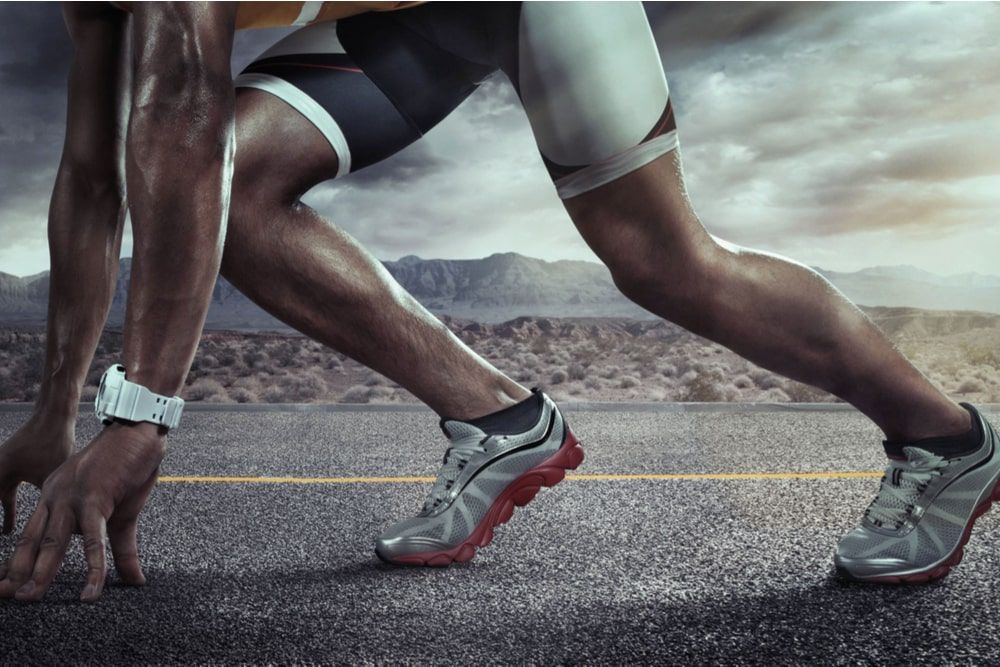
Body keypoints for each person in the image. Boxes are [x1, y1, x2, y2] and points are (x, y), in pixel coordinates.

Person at [0, 2, 996, 602]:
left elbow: (180, 112)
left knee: (662, 262)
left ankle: (948, 441)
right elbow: (96, 176)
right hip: (412, 15)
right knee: (235, 191)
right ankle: (504, 421)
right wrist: (54, 417)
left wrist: (137, 417)